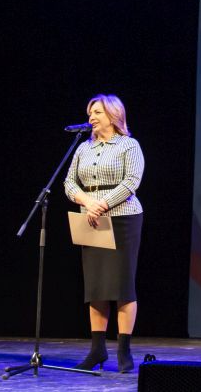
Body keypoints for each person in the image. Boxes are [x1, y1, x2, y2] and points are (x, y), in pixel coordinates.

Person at [64, 93, 145, 373]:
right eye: (90, 113)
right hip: (91, 218)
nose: (91, 117)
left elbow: (131, 181)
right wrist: (88, 202)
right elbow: (69, 183)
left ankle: (124, 350)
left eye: (97, 112)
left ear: (114, 115)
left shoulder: (129, 145)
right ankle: (97, 349)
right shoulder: (83, 148)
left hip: (123, 218)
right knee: (96, 286)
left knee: (122, 285)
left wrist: (103, 204)